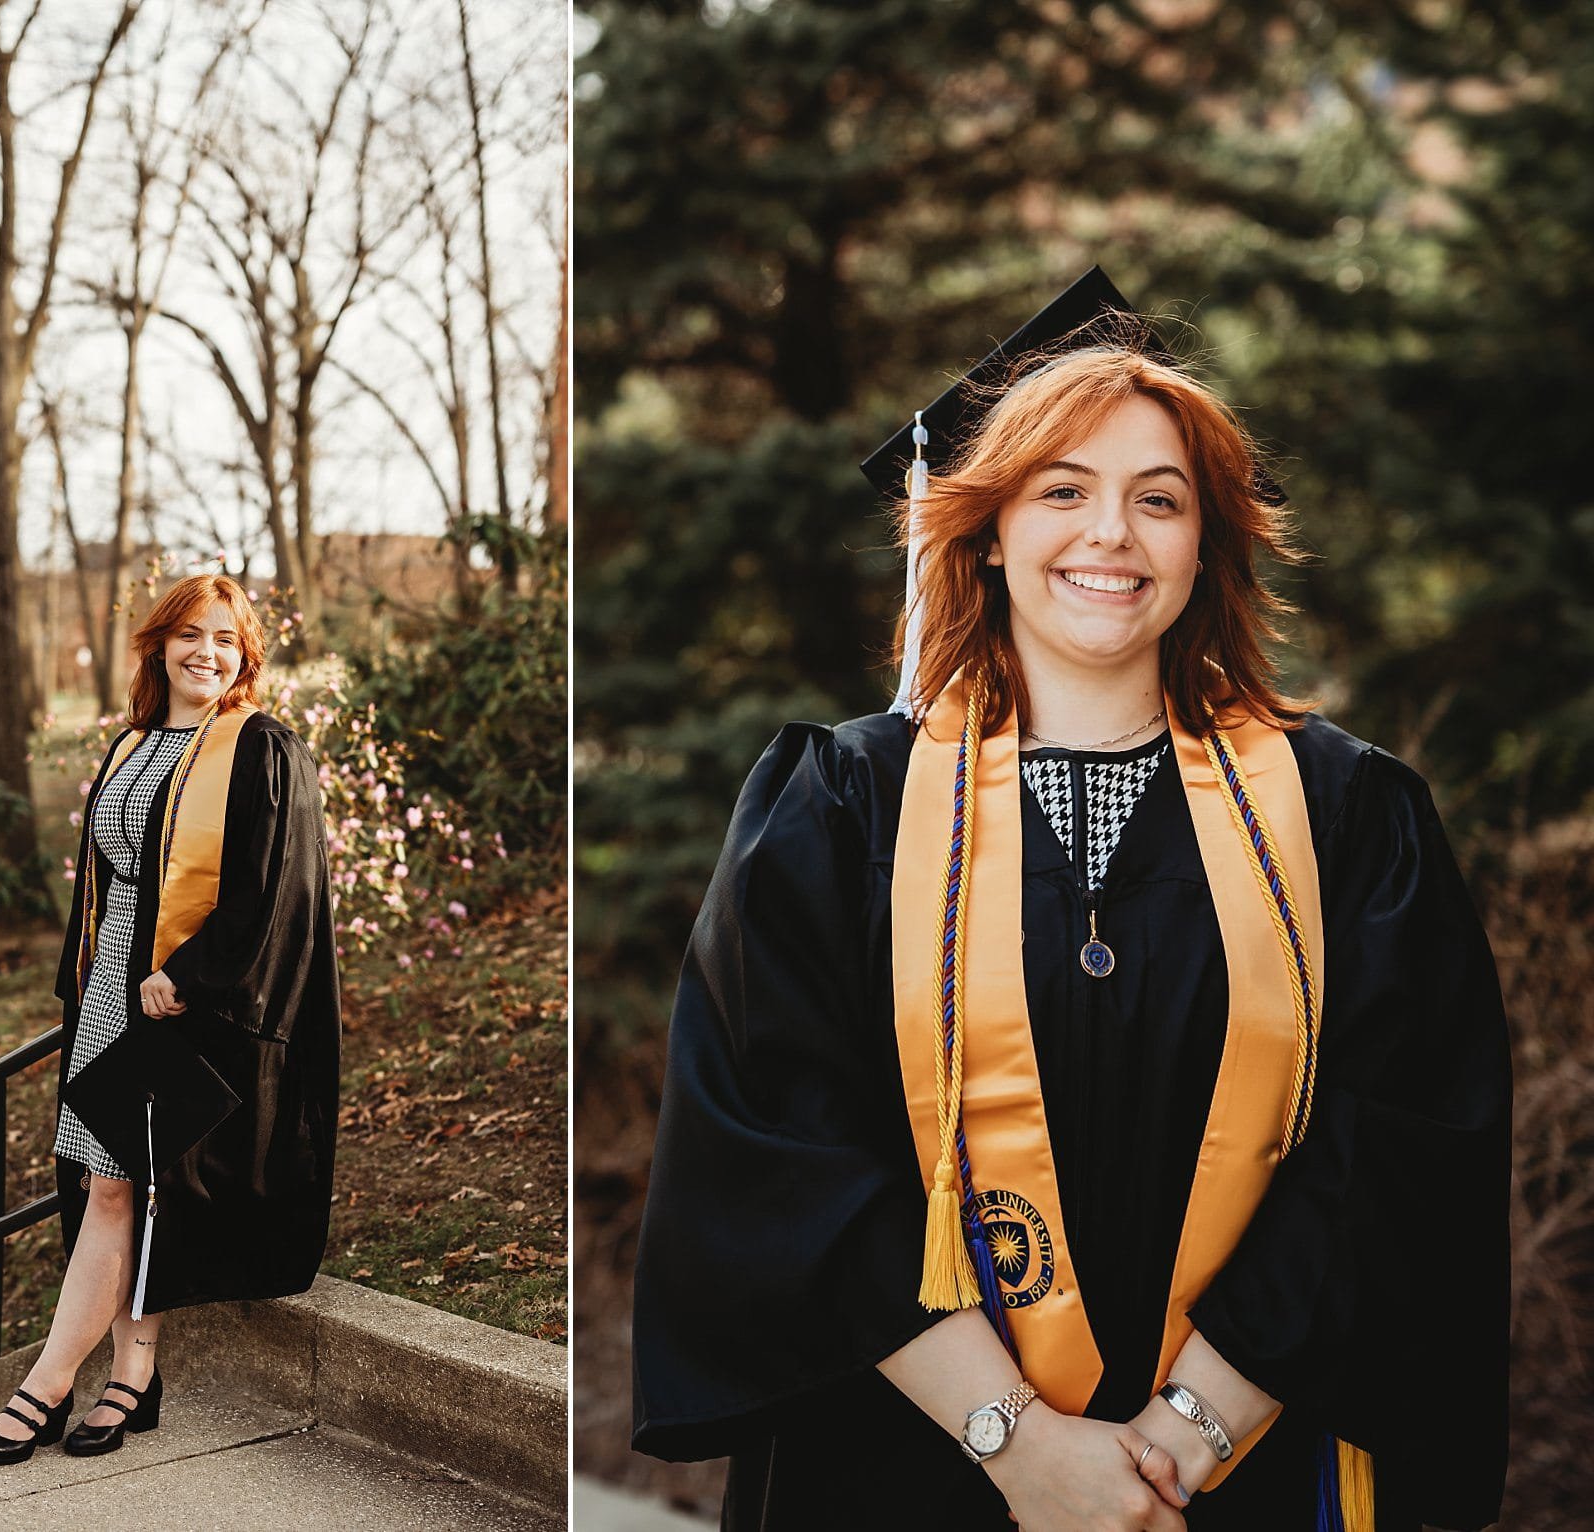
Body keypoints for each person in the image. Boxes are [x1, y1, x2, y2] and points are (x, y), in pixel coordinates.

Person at [630, 274, 1510, 1530]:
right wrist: (1019, 1442)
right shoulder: (842, 804)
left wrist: (1182, 1436)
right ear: (987, 529)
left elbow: (1397, 1147)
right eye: (1060, 490)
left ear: (1202, 543)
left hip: (1235, 1472)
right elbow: (773, 1144)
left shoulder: (1344, 811)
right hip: (905, 1467)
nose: (1111, 532)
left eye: (1158, 499)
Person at [0, 572, 341, 1464]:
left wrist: (193, 976)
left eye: (226, 639)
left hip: (183, 1001)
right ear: (159, 645)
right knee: (118, 1185)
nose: (207, 653)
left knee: (129, 1185)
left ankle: (47, 1388)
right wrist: (87, 980)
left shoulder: (261, 749)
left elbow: (273, 890)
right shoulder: (130, 744)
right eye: (190, 635)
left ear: (246, 655)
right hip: (111, 991)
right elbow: (101, 877)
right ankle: (134, 1376)